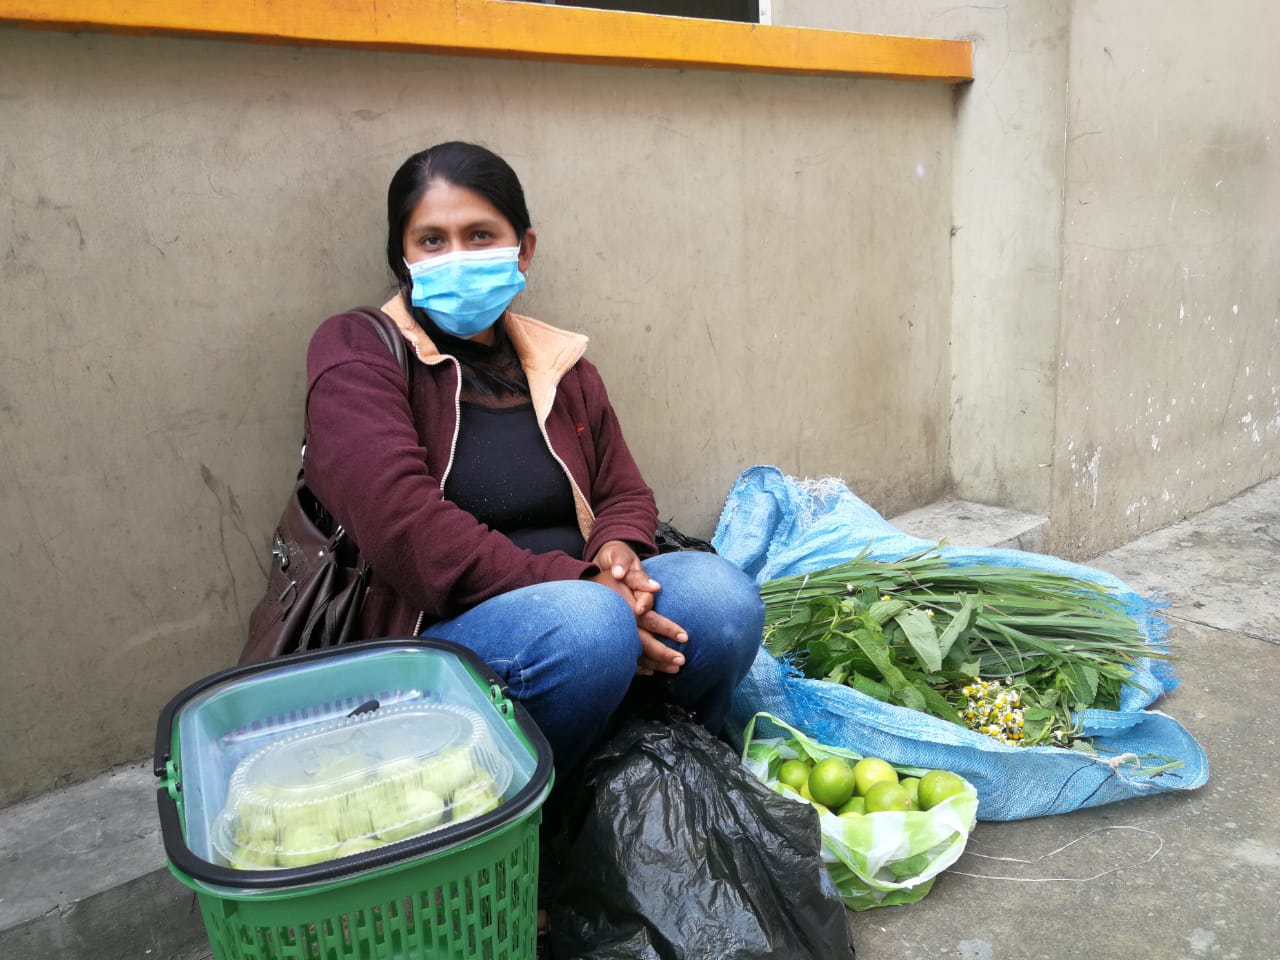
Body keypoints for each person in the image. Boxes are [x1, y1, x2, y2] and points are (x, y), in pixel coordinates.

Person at [303, 140, 764, 783]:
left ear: (523, 249)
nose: (455, 256)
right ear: (402, 257)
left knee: (723, 598)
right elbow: (402, 528)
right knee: (588, 628)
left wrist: (618, 555)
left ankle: (667, 782)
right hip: (441, 638)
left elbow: (623, 489)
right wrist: (583, 587)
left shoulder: (559, 364)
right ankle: (537, 821)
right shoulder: (360, 353)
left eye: (479, 234)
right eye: (431, 240)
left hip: (587, 600)